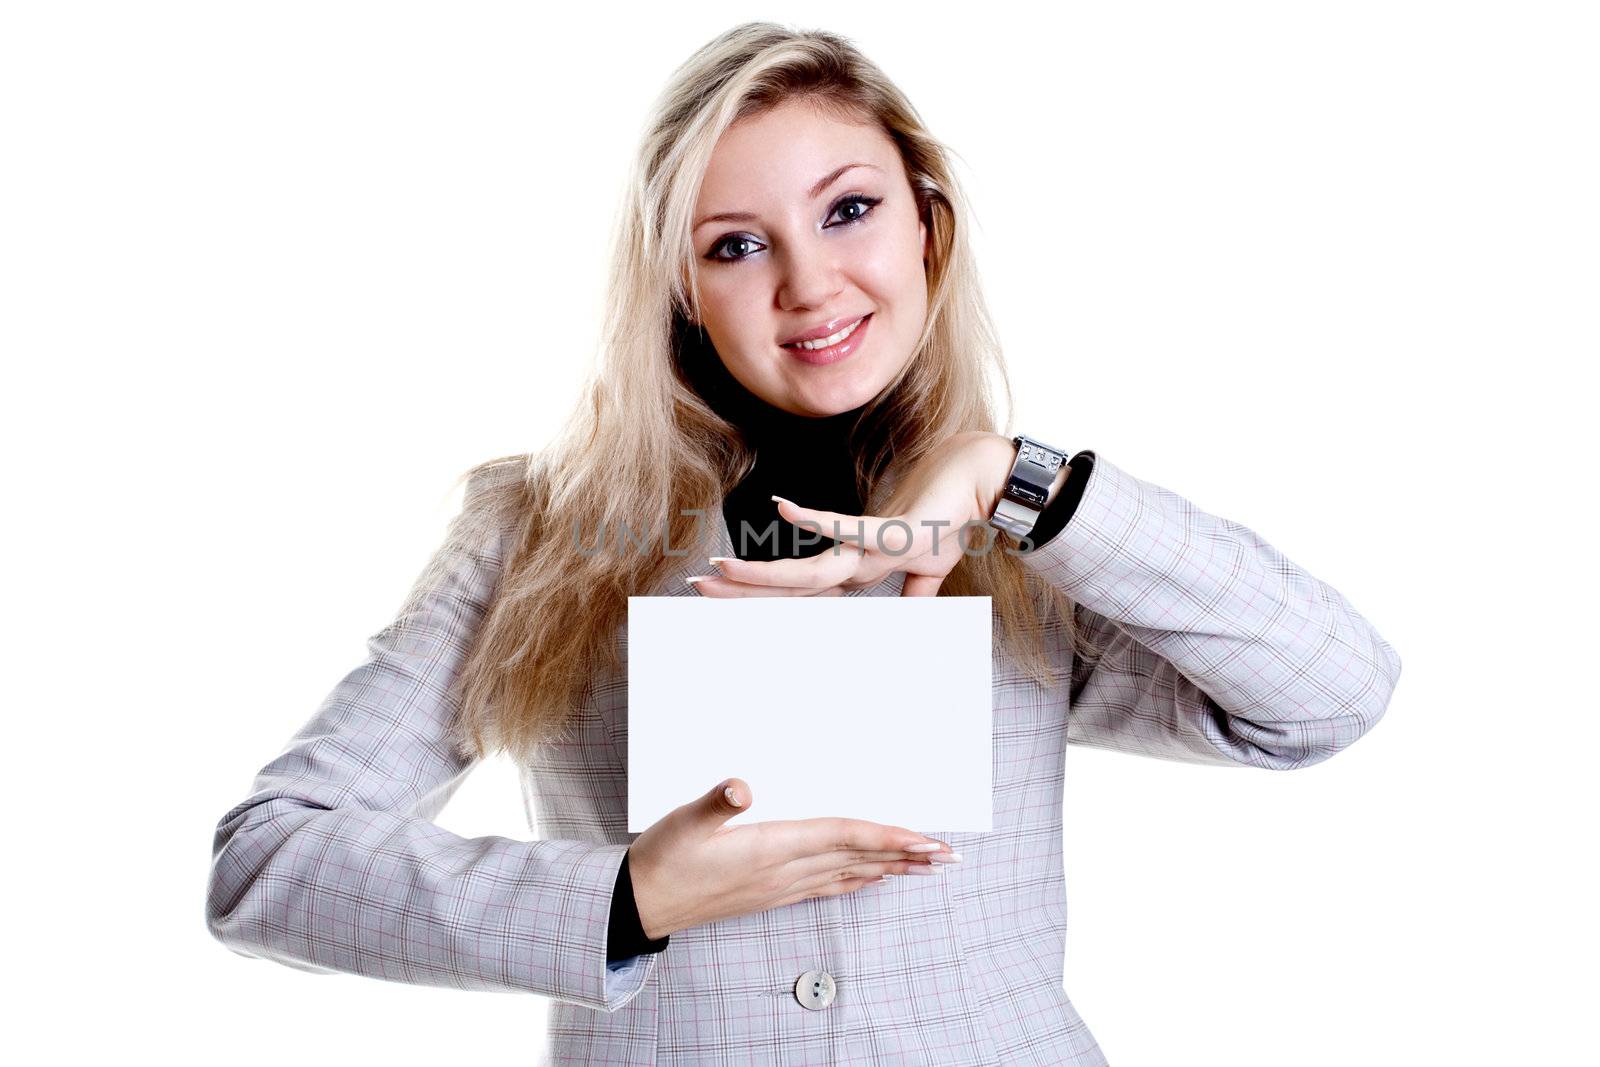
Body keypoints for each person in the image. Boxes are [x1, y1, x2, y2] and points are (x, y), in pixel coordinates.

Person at [204, 22, 1403, 1066]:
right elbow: (267, 863)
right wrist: (628, 896)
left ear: (928, 225)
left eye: (848, 210)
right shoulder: (541, 531)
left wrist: (1008, 474)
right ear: (681, 287)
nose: (809, 282)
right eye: (736, 243)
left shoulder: (1032, 539)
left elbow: (1327, 694)